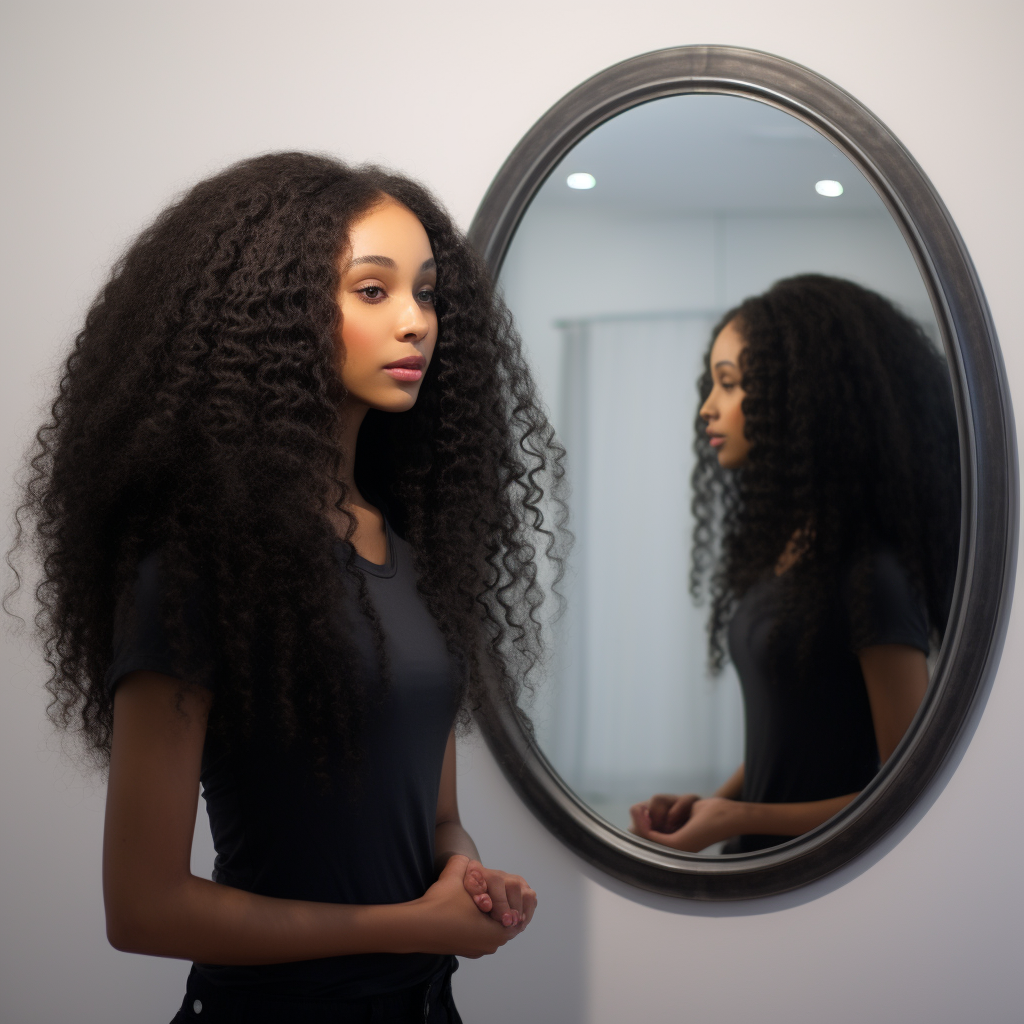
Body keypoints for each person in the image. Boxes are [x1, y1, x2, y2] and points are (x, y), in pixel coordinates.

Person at [12, 153, 566, 1022]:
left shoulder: (419, 560)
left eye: (426, 293)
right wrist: (407, 924)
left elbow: (437, 816)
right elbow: (144, 907)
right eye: (373, 291)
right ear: (271, 317)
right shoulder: (199, 571)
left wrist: (463, 875)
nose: (417, 322)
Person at [629, 274, 959, 854]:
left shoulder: (871, 577)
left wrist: (735, 817)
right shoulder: (791, 551)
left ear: (800, 396)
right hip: (764, 869)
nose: (708, 407)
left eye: (729, 385)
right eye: (712, 384)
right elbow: (793, 736)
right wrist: (714, 804)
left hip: (825, 886)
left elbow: (907, 787)